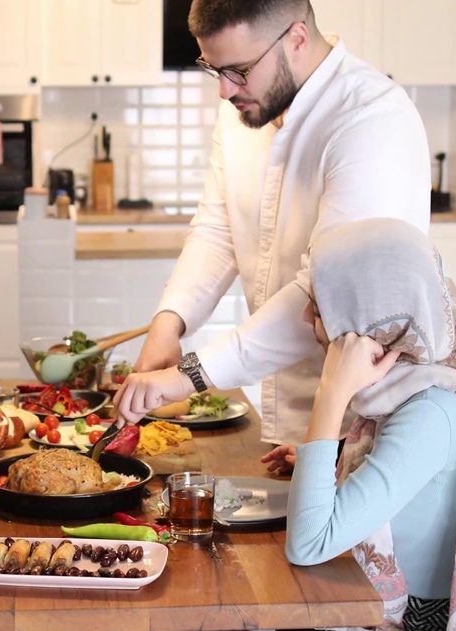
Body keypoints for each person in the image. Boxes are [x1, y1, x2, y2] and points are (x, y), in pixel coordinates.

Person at [180, 219, 456, 631]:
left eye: (323, 301)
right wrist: (336, 455)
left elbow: (309, 545)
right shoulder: (408, 390)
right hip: (387, 618)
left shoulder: (430, 413)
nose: (308, 314)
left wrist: (332, 393)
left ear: (369, 315)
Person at [113, 0, 435, 469]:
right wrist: (170, 322)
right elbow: (219, 227)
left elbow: (323, 293)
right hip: (283, 422)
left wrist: (189, 377)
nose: (224, 90)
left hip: (367, 425)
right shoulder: (246, 107)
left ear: (297, 38)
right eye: (213, 68)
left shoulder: (371, 119)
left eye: (238, 70)